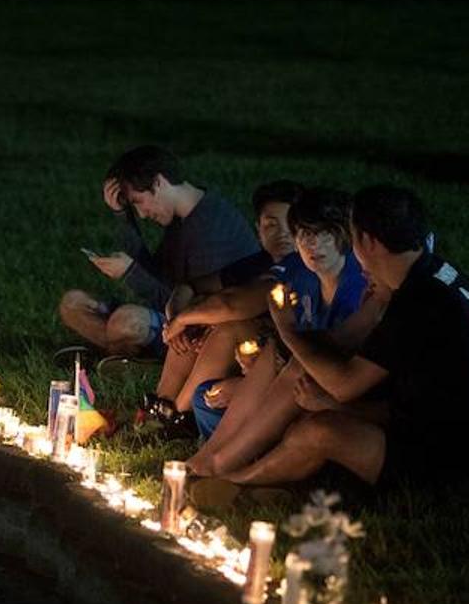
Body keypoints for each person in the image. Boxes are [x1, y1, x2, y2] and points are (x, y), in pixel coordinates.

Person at [215, 185, 469, 491]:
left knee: (320, 430)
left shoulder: (415, 305)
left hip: (449, 462)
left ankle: (235, 483)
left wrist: (287, 327)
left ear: (367, 241)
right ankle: (252, 479)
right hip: (446, 432)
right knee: (313, 417)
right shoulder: (436, 272)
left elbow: (343, 385)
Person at [184, 188, 372, 473]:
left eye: (323, 234)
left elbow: (329, 361)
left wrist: (283, 337)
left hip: (339, 395)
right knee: (207, 396)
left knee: (290, 370)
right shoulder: (300, 273)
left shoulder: (360, 287)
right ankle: (212, 455)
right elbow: (290, 345)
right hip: (297, 382)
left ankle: (223, 463)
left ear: (343, 236)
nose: (312, 244)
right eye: (304, 234)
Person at [59, 145, 261, 357]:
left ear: (158, 182)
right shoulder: (180, 218)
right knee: (72, 304)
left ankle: (125, 354)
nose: (142, 214)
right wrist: (122, 216)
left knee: (126, 321)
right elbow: (156, 273)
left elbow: (190, 306)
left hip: (199, 327)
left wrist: (131, 274)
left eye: (138, 202)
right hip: (171, 313)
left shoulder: (212, 226)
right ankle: (119, 352)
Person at [147, 180, 304, 421]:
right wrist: (176, 317)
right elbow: (190, 286)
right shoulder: (258, 262)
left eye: (290, 225)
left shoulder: (301, 266)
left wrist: (184, 318)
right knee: (197, 323)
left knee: (227, 327)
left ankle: (178, 415)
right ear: (258, 229)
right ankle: (159, 404)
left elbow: (235, 303)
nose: (282, 233)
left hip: (283, 357)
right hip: (248, 355)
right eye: (271, 224)